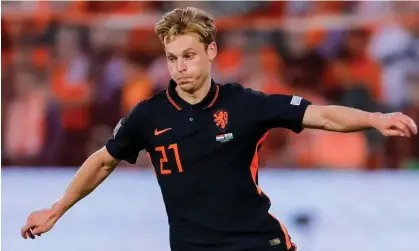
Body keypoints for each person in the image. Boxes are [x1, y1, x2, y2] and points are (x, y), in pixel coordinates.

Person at [21, 7, 417, 251]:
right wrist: (58, 209)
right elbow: (103, 162)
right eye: (172, 57)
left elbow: (322, 115)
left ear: (211, 52)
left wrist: (374, 119)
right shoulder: (148, 115)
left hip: (258, 243)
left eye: (189, 55)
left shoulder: (246, 104)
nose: (180, 67)